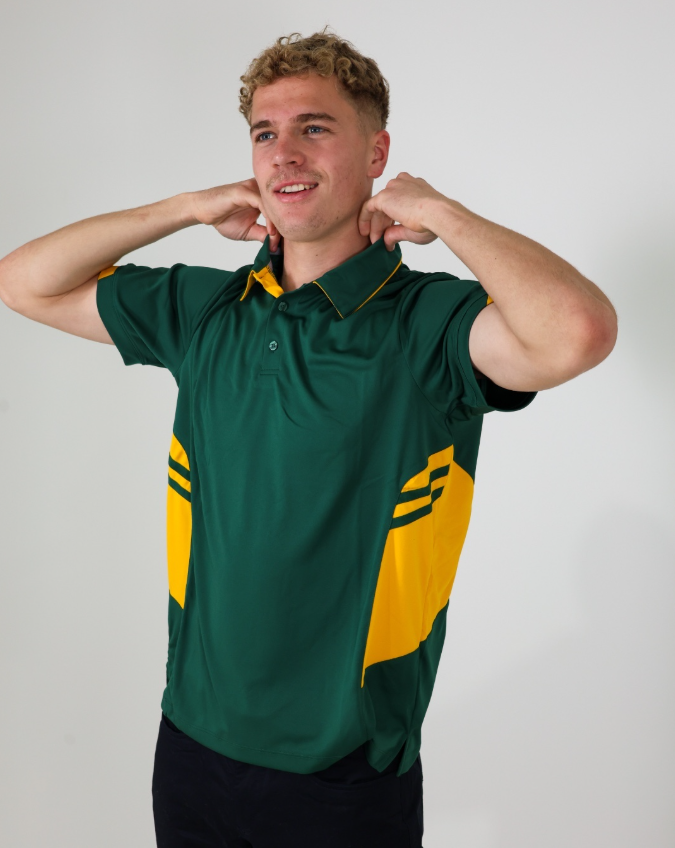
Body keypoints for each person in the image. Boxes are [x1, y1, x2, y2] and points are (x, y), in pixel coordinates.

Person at [0, 28, 617, 848]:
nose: (284, 153)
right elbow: (23, 282)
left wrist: (443, 214)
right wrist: (184, 207)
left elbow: (576, 332)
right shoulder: (206, 309)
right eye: (265, 134)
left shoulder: (428, 325)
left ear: (376, 153)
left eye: (314, 128)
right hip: (190, 741)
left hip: (343, 770)